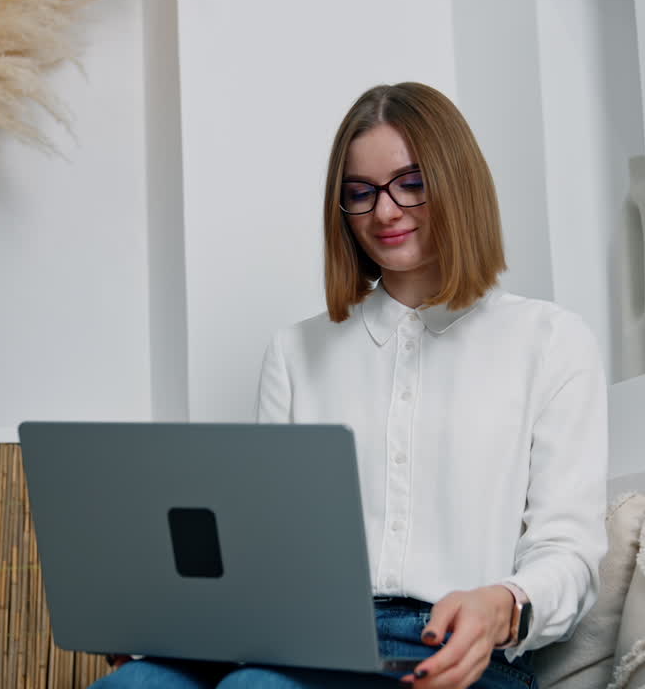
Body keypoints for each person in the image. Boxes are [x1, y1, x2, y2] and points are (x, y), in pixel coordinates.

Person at [93, 82, 608, 689]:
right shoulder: (295, 352)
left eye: (410, 183)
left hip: (451, 655)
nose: (384, 212)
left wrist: (503, 605)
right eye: (359, 194)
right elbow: (269, 553)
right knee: (134, 685)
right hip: (305, 641)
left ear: (457, 183)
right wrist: (182, 622)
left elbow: (569, 550)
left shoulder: (550, 341)